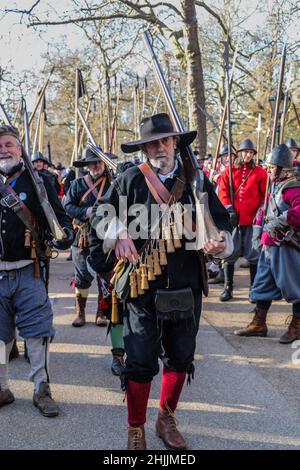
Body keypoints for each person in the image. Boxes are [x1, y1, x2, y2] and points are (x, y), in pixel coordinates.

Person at [89, 113, 233, 450]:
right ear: (144, 149)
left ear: (175, 144)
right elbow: (99, 215)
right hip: (143, 287)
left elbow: (222, 225)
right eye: (151, 143)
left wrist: (220, 242)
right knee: (139, 362)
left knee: (181, 357)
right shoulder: (129, 180)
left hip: (187, 285)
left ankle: (166, 419)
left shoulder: (196, 182)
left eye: (164, 141)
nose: (158, 148)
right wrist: (118, 231)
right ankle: (135, 428)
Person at [0, 125, 73, 416]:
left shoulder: (40, 181)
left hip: (30, 271)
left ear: (20, 149)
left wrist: (65, 234)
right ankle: (2, 388)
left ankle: (41, 388)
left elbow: (61, 219)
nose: (3, 150)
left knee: (37, 332)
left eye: (8, 144)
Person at [234, 143, 300, 343]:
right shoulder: (275, 184)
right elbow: (265, 210)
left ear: (283, 169)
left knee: (294, 287)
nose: (268, 170)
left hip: (286, 246)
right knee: (262, 284)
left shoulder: (292, 187)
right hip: (269, 244)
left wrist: (286, 218)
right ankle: (259, 323)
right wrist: (259, 232)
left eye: (271, 167)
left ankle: (297, 326)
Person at [218, 138, 268, 301]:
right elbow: (223, 191)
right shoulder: (229, 171)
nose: (248, 155)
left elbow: (264, 197)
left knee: (253, 255)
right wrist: (229, 208)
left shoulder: (260, 172)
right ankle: (228, 288)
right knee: (229, 255)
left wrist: (260, 213)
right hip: (234, 221)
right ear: (239, 153)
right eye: (246, 152)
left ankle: (253, 290)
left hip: (252, 222)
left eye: (251, 153)